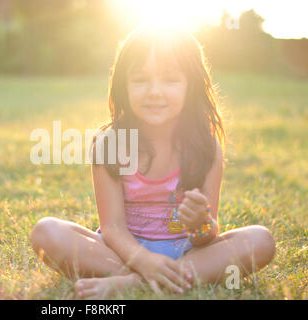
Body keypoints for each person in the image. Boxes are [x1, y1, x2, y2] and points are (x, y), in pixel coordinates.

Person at [30, 25, 276, 299]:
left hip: (188, 253)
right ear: (123, 85)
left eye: (170, 80)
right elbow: (112, 228)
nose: (155, 92)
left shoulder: (207, 148)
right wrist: (144, 261)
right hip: (121, 253)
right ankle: (146, 276)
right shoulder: (109, 145)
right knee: (47, 232)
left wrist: (199, 223)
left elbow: (207, 235)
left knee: (260, 240)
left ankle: (133, 283)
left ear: (190, 85)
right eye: (140, 80)